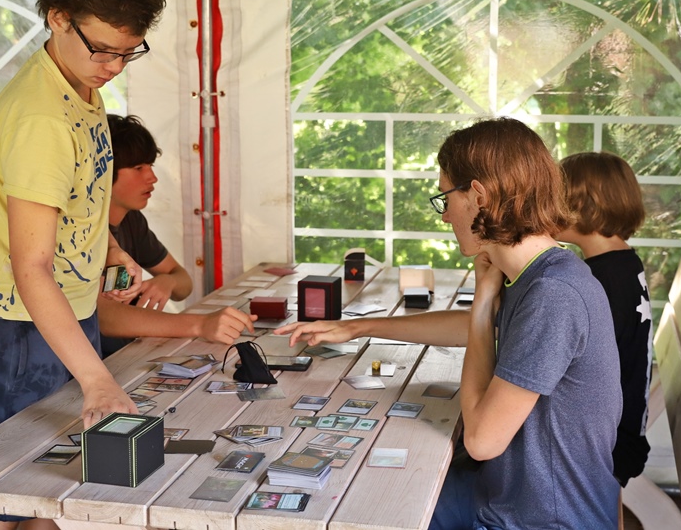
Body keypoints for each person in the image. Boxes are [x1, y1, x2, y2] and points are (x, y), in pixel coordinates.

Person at [278, 117, 623, 530]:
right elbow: (471, 331)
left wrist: (482, 304)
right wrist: (356, 328)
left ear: (478, 196)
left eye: (446, 198)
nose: (445, 217)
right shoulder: (542, 273)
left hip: (537, 519)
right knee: (366, 488)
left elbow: (481, 441)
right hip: (507, 493)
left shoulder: (554, 295)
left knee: (358, 504)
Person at [0, 0, 166, 530]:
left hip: (61, 315)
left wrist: (111, 248)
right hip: (12, 329)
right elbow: (30, 267)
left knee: (49, 488)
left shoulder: (78, 83)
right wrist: (98, 380)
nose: (114, 67)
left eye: (129, 53)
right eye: (104, 50)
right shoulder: (41, 118)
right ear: (58, 17)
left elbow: (80, 201)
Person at [97, 114, 256, 356]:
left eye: (150, 166)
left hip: (128, 353)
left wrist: (166, 282)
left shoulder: (132, 221)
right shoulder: (80, 230)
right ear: (103, 172)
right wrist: (201, 325)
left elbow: (184, 284)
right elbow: (105, 318)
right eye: (138, 168)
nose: (152, 177)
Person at [558, 151, 653, 487]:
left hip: (607, 448)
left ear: (584, 205)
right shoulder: (622, 264)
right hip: (621, 435)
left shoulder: (601, 281)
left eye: (555, 198)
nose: (547, 208)